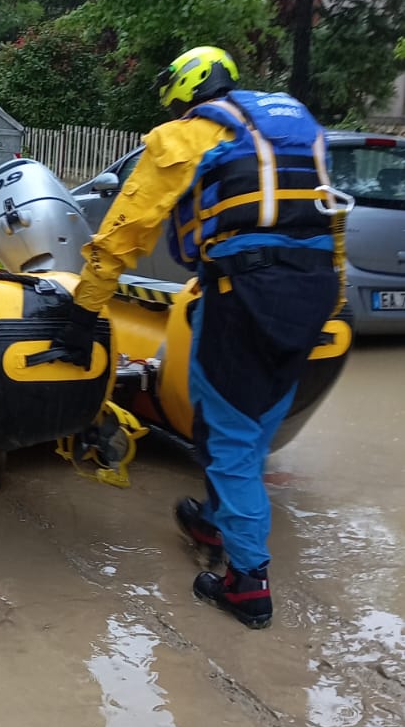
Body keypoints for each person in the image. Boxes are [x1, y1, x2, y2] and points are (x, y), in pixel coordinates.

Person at [58, 46, 345, 629]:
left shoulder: (187, 135)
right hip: (312, 290)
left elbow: (126, 227)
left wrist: (85, 310)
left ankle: (246, 583)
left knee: (229, 434)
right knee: (255, 417)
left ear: (185, 90)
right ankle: (217, 518)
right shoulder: (294, 123)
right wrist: (332, 301)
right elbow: (329, 216)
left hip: (245, 293)